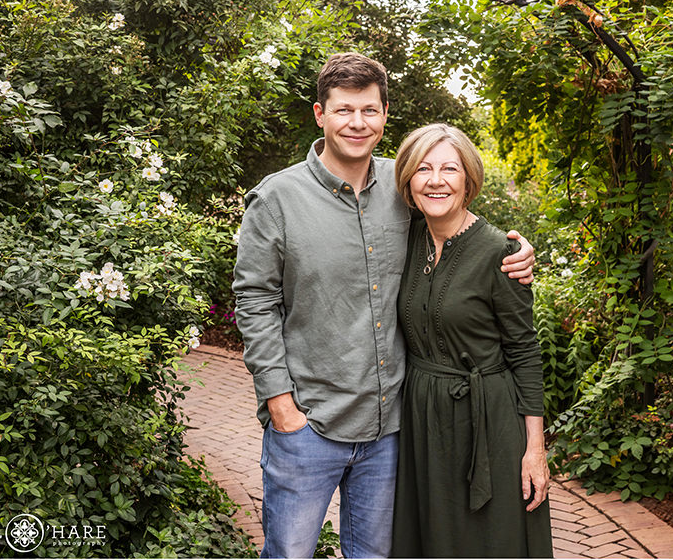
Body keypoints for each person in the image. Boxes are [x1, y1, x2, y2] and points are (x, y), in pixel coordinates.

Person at [232, 53, 536, 558]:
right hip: (309, 422)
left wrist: (516, 253)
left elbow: (459, 226)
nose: (357, 123)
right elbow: (255, 301)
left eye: (369, 110)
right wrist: (280, 404)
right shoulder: (277, 199)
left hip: (391, 430)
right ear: (319, 114)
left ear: (385, 114)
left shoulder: (406, 185)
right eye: (345, 110)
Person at [391, 123, 553, 557]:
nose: (436, 180)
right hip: (423, 418)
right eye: (423, 168)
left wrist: (534, 450)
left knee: (488, 542)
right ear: (408, 178)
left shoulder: (502, 253)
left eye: (450, 169)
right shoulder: (403, 239)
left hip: (489, 420)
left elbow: (525, 353)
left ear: (469, 179)